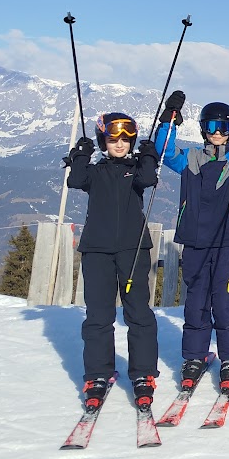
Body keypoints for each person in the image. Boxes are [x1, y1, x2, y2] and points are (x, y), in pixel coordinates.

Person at [157, 91, 229, 399]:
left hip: (227, 241)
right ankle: (195, 356)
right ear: (203, 128)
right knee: (196, 301)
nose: (218, 133)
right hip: (194, 241)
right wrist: (169, 119)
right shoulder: (190, 159)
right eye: (212, 126)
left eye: (224, 127)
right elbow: (164, 151)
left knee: (225, 302)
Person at [66, 112, 161, 411]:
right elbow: (75, 180)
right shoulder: (94, 172)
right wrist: (81, 155)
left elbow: (149, 178)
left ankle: (143, 373)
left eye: (125, 140)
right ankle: (97, 374)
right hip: (97, 250)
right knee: (98, 315)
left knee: (138, 312)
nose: (119, 145)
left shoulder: (136, 171)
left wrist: (148, 155)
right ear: (102, 142)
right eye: (112, 140)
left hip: (133, 249)